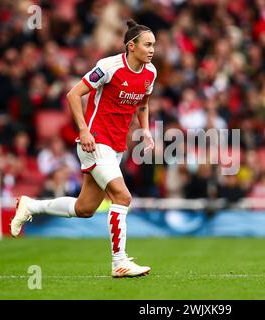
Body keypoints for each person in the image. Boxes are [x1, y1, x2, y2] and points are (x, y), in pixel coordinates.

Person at [10, 20, 157, 278]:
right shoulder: (109, 67)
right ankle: (119, 262)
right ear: (131, 46)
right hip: (95, 141)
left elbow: (143, 105)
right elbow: (73, 94)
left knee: (85, 208)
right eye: (147, 44)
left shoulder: (150, 73)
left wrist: (144, 129)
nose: (152, 49)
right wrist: (83, 130)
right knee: (123, 197)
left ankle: (30, 206)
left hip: (116, 147)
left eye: (153, 45)